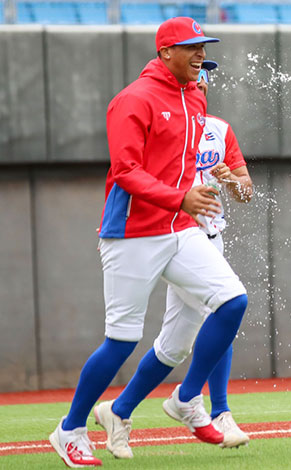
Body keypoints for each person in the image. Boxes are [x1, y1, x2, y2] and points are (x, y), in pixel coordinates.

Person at [49, 17, 249, 468]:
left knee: (232, 301)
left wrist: (206, 190)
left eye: (204, 46)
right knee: (121, 341)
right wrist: (182, 196)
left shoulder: (195, 95)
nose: (201, 54)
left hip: (178, 227)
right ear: (165, 54)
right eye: (192, 47)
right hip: (131, 232)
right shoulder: (133, 100)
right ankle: (70, 428)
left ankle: (185, 399)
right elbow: (125, 171)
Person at [90, 60, 254, 461]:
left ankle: (120, 410)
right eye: (195, 66)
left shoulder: (217, 128)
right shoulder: (162, 118)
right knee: (223, 306)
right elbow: (131, 169)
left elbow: (246, 191)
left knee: (176, 344)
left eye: (206, 71)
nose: (200, 76)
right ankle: (211, 407)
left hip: (204, 238)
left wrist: (230, 180)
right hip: (166, 232)